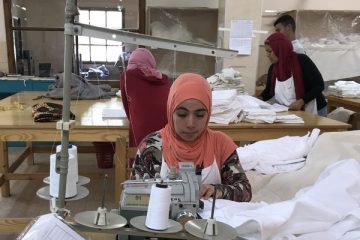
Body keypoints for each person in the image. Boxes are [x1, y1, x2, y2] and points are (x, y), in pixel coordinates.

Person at [132, 73, 252, 202]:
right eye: (182, 114)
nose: (191, 124)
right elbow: (135, 196)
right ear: (170, 111)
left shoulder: (221, 144)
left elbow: (245, 191)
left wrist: (217, 190)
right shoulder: (152, 147)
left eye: (200, 115)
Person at [259, 32, 327, 116]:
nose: (267, 55)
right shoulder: (273, 69)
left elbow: (319, 85)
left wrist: (302, 101)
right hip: (291, 113)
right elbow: (269, 92)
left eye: (270, 51)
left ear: (280, 49)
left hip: (313, 111)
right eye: (266, 51)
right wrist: (258, 99)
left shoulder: (302, 61)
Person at [120, 48, 170, 147]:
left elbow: (127, 108)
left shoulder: (127, 76)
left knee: (140, 157)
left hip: (141, 136)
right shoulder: (163, 79)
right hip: (165, 135)